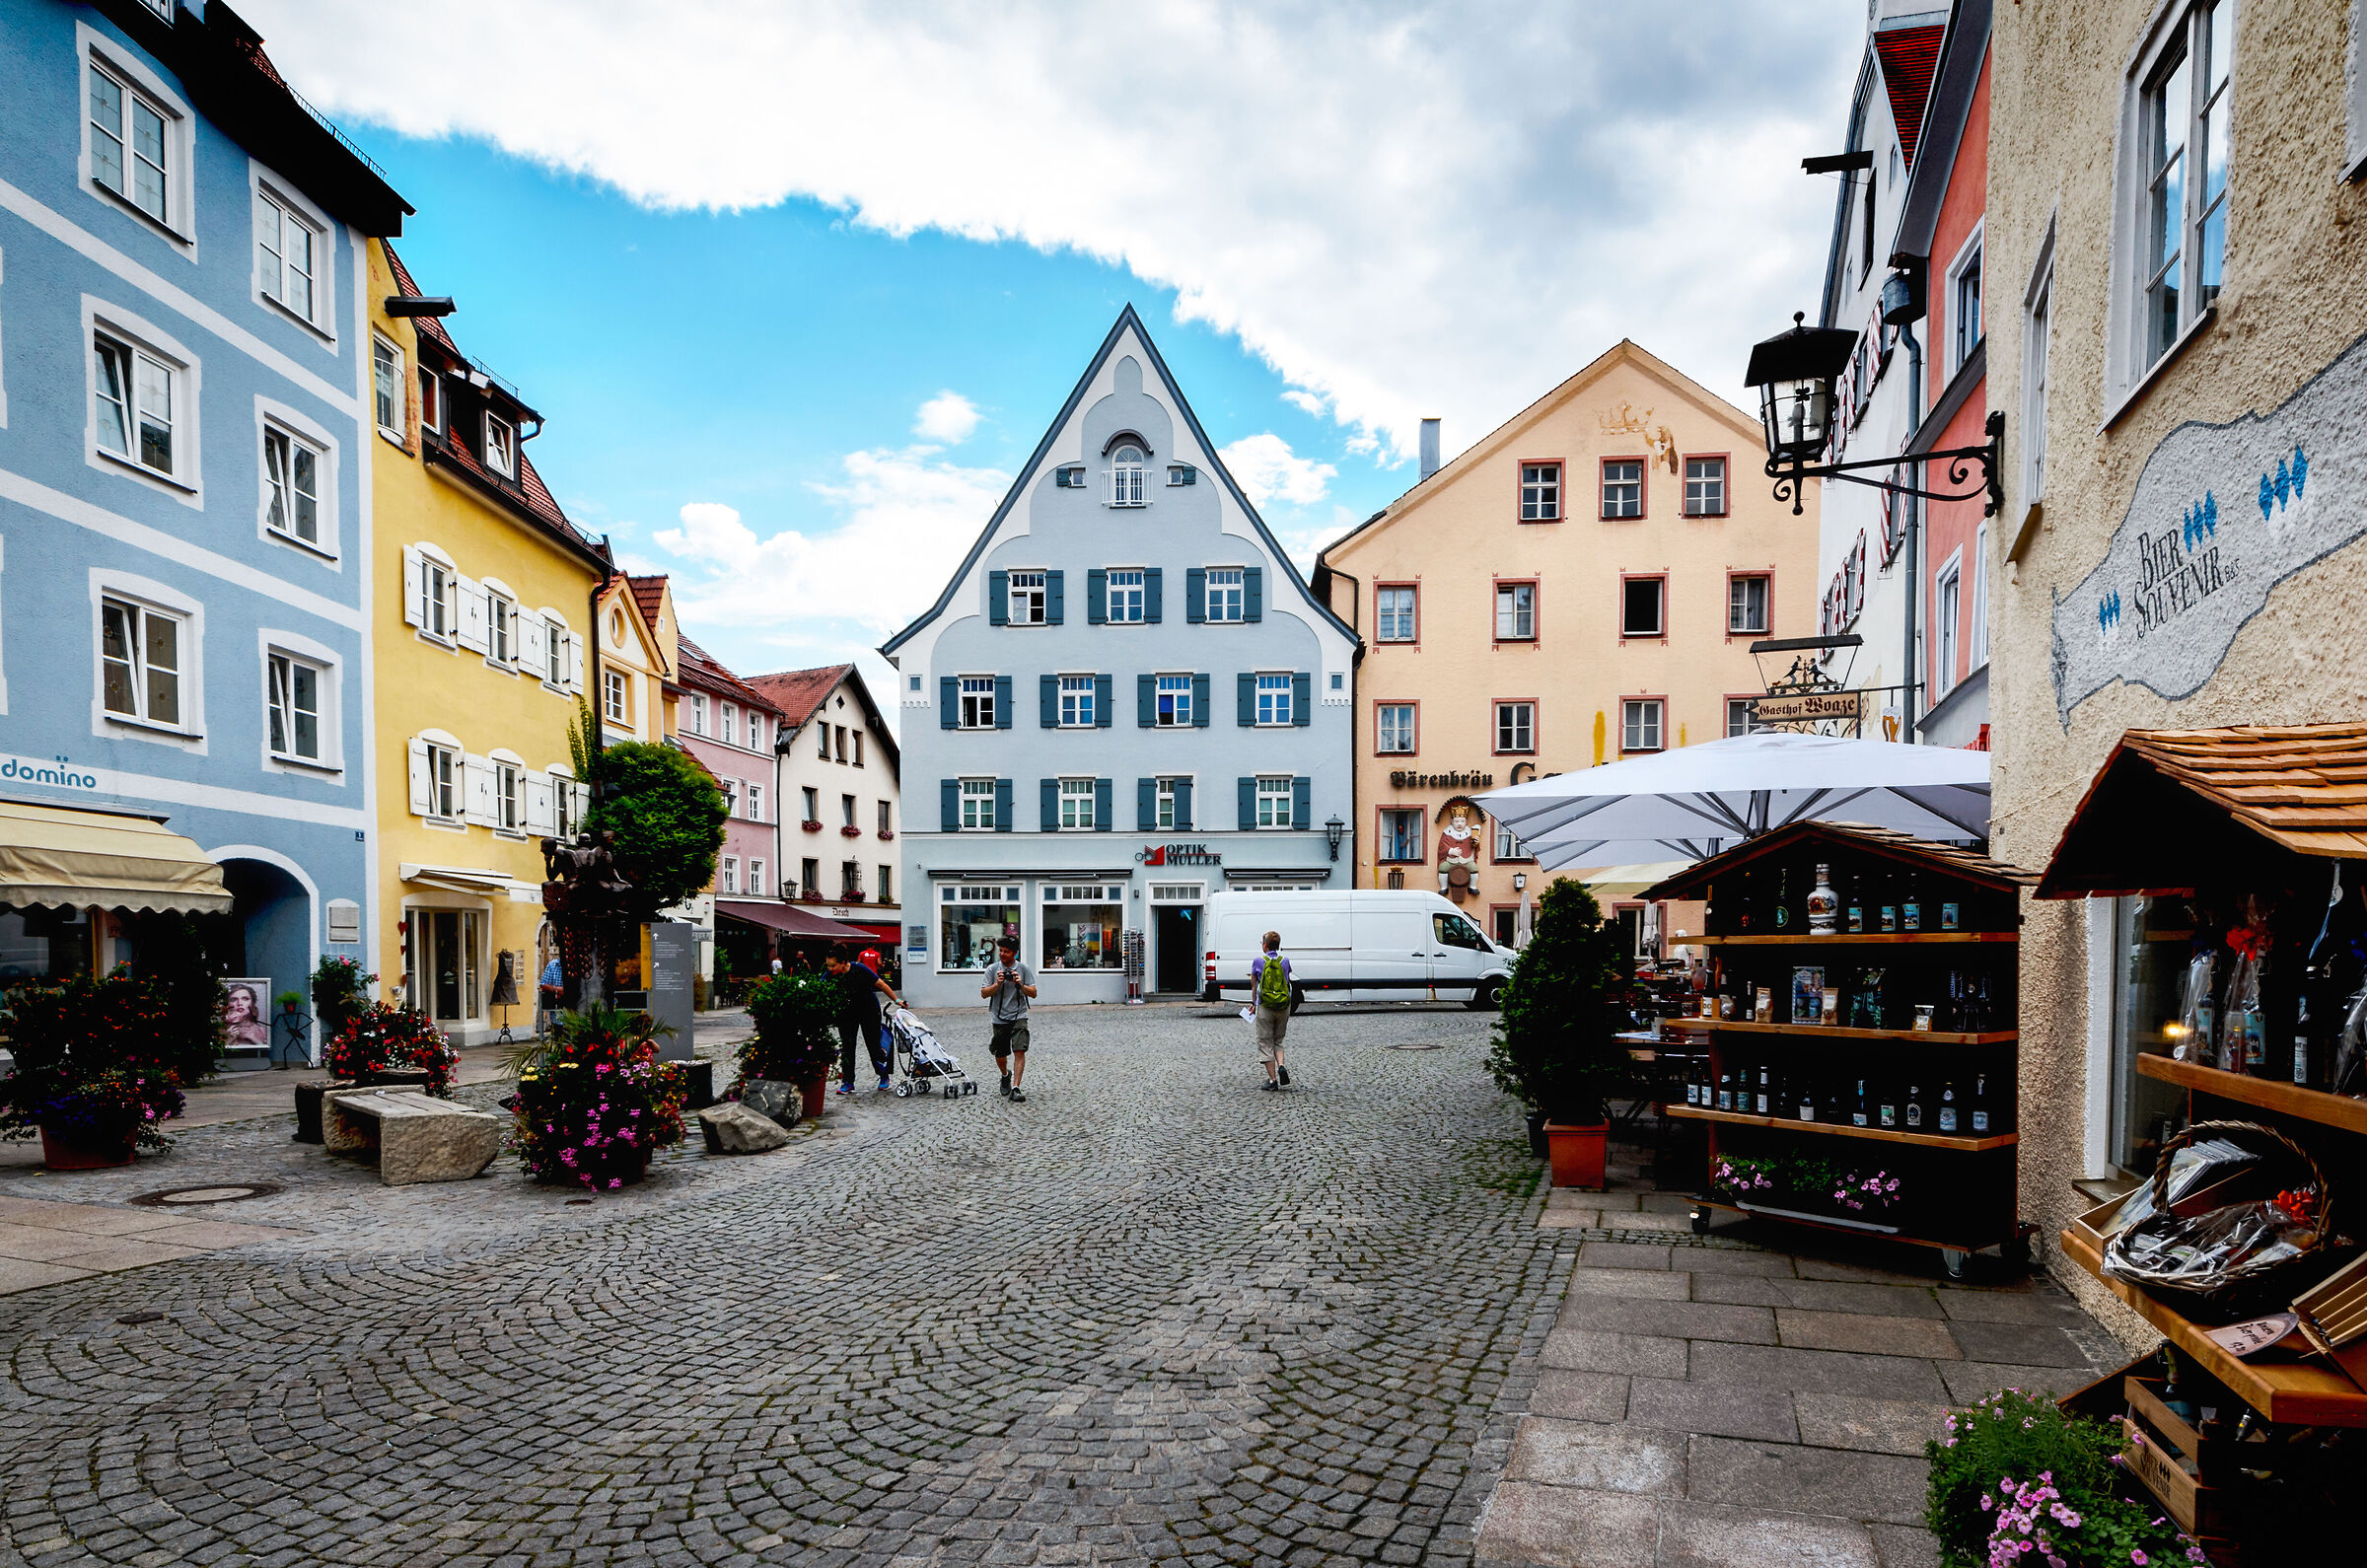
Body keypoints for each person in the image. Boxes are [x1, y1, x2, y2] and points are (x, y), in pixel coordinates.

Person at [826, 950, 900, 1094]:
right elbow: (820, 989)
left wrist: (897, 1000)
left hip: (869, 1010)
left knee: (873, 1045)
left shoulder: (859, 969)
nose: (830, 969)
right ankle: (848, 1082)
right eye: (828, 966)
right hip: (847, 1013)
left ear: (843, 963)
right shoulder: (831, 975)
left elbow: (880, 984)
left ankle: (883, 1076)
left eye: (833, 965)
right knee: (847, 1047)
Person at [979, 934, 1037, 1102]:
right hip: (999, 1016)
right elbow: (984, 994)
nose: (1002, 954)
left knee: (1020, 1050)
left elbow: (1033, 993)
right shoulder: (992, 969)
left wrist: (1020, 984)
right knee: (1000, 1053)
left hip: (1019, 1014)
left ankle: (1016, 1088)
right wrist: (997, 984)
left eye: (1006, 951)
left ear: (1015, 953)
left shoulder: (1023, 969)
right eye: (1001, 951)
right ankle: (1005, 1075)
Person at [1250, 931, 1293, 1090]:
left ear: (1265, 945)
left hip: (1266, 1006)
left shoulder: (1258, 961)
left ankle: (1273, 1080)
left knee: (1265, 1042)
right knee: (1278, 1040)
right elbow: (1286, 981)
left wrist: (1254, 1003)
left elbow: (1255, 986)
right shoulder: (1285, 961)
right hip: (1283, 1006)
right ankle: (1281, 1065)